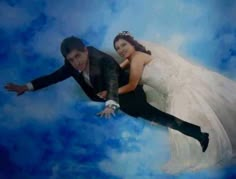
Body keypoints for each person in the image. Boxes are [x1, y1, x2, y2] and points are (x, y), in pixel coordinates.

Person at [5, 36, 209, 162]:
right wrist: (26, 87)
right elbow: (53, 77)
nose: (76, 62)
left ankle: (200, 134)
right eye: (71, 60)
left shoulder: (103, 60)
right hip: (117, 98)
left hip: (128, 94)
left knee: (158, 117)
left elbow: (112, 81)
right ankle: (197, 132)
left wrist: (111, 103)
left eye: (78, 56)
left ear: (85, 50)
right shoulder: (70, 65)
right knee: (156, 118)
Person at [110, 31, 236, 173]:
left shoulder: (137, 59)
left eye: (123, 45)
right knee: (193, 123)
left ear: (131, 43)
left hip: (179, 92)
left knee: (190, 123)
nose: (121, 50)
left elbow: (132, 85)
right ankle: (209, 143)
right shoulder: (134, 57)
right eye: (117, 48)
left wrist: (111, 93)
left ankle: (210, 149)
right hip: (176, 89)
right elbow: (119, 67)